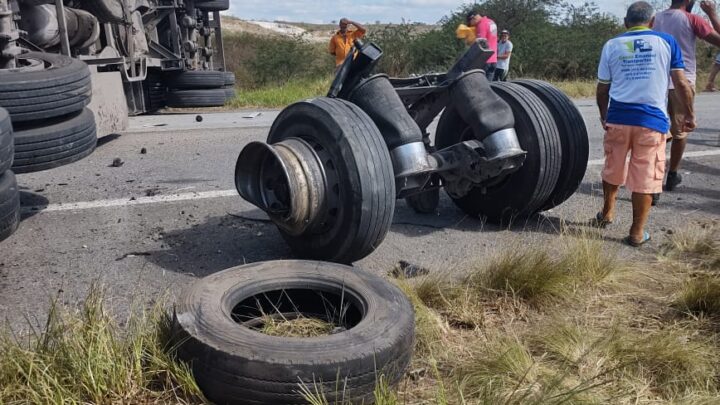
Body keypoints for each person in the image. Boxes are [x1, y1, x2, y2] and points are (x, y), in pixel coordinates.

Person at [595, 1, 695, 247]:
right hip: (651, 121)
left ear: (625, 23)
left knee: (613, 167)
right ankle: (636, 233)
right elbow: (681, 84)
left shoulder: (611, 45)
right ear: (652, 22)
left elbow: (602, 88)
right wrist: (689, 114)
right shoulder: (666, 42)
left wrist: (604, 114)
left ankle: (607, 213)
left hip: (618, 117)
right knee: (646, 178)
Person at [652, 0, 720, 193]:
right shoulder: (691, 19)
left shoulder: (654, 18)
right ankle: (672, 174)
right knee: (681, 130)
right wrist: (712, 13)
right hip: (681, 82)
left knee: (656, 132)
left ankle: (651, 181)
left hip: (655, 83)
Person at [467, 11, 498, 80]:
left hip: (485, 60)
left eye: (471, 23)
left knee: (481, 85)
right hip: (494, 59)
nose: (473, 26)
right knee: (490, 85)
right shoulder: (491, 22)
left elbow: (480, 44)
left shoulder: (481, 25)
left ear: (473, 18)